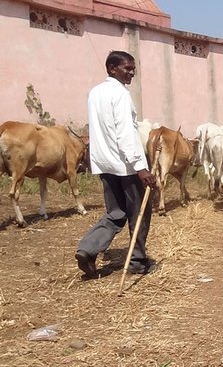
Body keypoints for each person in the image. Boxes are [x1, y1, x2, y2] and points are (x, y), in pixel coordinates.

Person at [75, 51, 158, 279]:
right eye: (127, 68)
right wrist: (141, 168)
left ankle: (88, 249)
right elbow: (124, 133)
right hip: (126, 165)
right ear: (112, 68)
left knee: (115, 213)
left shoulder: (95, 93)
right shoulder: (120, 94)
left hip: (104, 163)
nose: (131, 73)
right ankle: (138, 262)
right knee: (139, 214)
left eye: (133, 69)